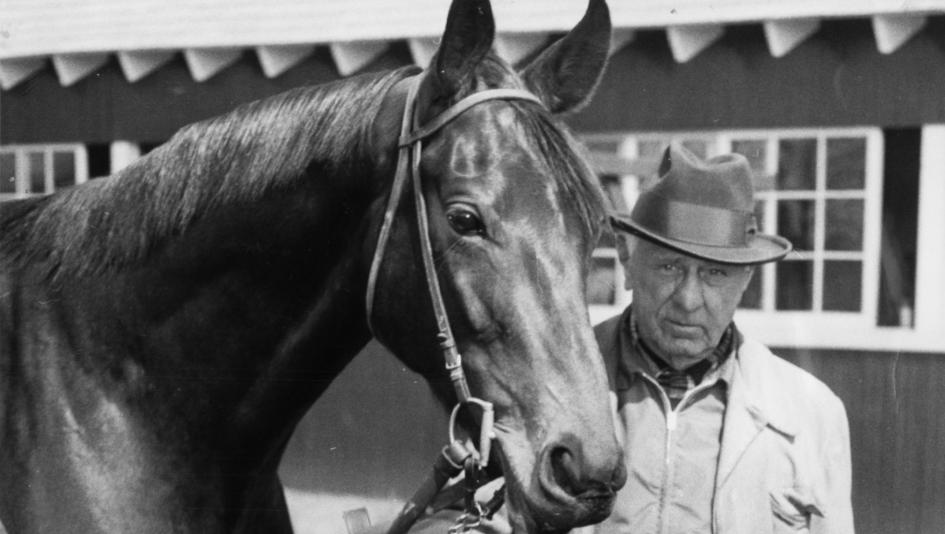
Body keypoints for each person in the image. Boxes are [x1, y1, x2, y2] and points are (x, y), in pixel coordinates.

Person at [586, 143, 854, 533]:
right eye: (669, 267)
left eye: (715, 273)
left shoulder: (812, 414)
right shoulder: (555, 385)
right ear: (627, 261)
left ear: (745, 279)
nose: (689, 301)